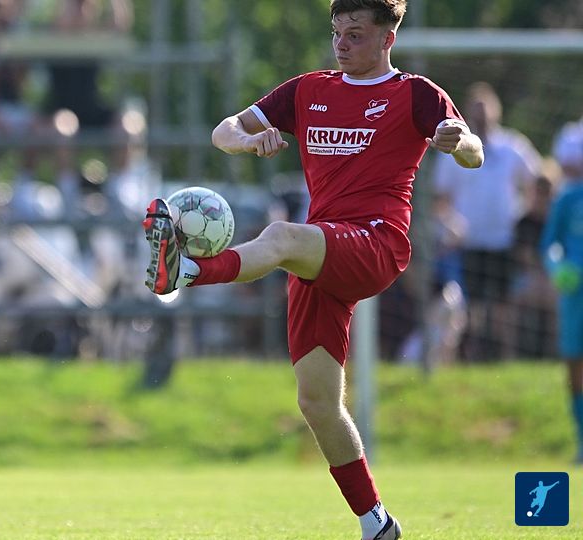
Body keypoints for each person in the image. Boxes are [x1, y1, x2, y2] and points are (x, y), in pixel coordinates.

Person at [143, 1, 483, 539]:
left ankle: (184, 271)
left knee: (280, 237)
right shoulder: (308, 90)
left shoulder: (415, 93)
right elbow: (222, 130)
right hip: (320, 250)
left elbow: (474, 150)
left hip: (375, 242)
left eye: (355, 34)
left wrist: (457, 141)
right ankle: (377, 523)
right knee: (318, 401)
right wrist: (249, 140)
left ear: (387, 39)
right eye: (336, 33)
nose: (341, 44)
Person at [431, 82, 540, 361]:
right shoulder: (456, 148)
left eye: (486, 108)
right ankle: (472, 357)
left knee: (504, 304)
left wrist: (523, 216)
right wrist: (451, 225)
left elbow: (537, 180)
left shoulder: (512, 146)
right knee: (472, 306)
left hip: (504, 239)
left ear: (496, 110)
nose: (482, 115)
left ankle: (506, 356)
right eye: (476, 109)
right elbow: (440, 198)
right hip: (470, 241)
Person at [541, 119, 583, 463]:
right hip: (574, 295)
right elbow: (549, 245)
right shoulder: (569, 198)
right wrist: (558, 268)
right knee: (575, 366)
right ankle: (582, 441)